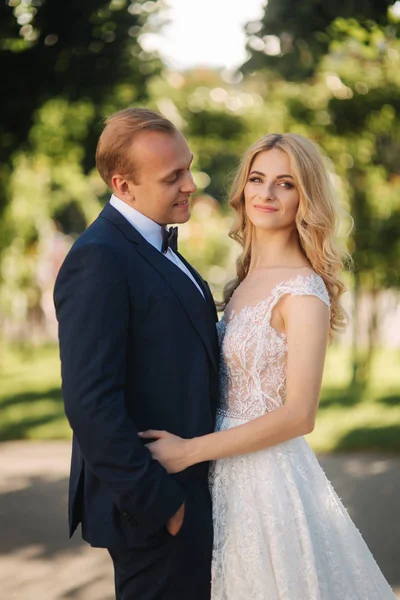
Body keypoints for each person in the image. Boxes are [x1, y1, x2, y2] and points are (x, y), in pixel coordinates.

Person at [139, 133, 397, 599]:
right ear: (243, 189)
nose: (266, 194)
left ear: (306, 197)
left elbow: (301, 415)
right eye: (257, 179)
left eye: (286, 183)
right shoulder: (244, 280)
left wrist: (190, 450)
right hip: (221, 473)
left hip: (266, 482)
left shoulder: (303, 292)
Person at [53, 108, 219, 600]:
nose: (191, 183)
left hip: (188, 490)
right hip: (151, 507)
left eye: (188, 167)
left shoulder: (155, 243)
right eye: (173, 176)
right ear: (124, 186)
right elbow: (90, 402)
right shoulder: (100, 258)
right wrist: (163, 507)